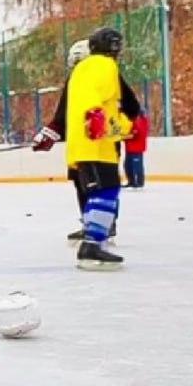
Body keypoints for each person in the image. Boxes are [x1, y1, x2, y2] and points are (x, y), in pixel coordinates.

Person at [32, 37, 142, 244]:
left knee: (103, 184)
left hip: (103, 141)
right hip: (82, 141)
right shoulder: (77, 78)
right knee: (80, 181)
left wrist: (117, 125)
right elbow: (67, 113)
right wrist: (52, 131)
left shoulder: (106, 74)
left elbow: (130, 106)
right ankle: (90, 222)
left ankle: (105, 224)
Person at [65, 27, 132, 270]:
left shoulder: (85, 68)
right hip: (94, 145)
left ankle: (93, 242)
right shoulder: (102, 67)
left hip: (92, 144)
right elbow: (92, 100)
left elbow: (105, 109)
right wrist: (95, 117)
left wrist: (124, 128)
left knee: (105, 191)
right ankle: (92, 245)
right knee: (105, 192)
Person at [124, 113, 149, 188]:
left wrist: (123, 137)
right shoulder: (134, 121)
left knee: (137, 166)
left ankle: (139, 182)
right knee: (128, 165)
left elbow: (135, 134)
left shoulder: (140, 122)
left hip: (136, 148)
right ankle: (131, 181)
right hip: (130, 147)